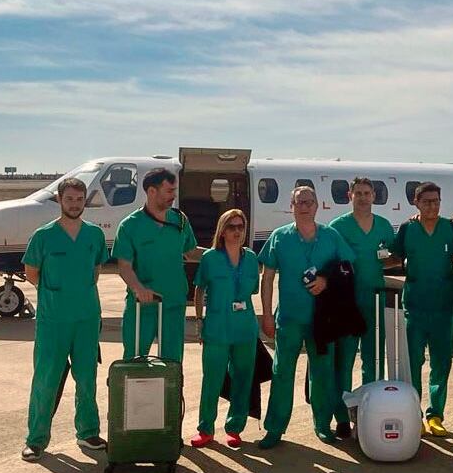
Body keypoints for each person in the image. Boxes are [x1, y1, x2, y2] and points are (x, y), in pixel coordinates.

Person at [257, 186, 355, 448]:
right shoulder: (279, 237)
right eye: (299, 202)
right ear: (291, 206)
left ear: (317, 206)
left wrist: (326, 280)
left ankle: (322, 425)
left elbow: (347, 268)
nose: (304, 207)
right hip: (289, 318)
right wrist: (266, 315)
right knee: (282, 372)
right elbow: (267, 278)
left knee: (322, 372)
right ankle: (274, 428)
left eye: (309, 202)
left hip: (323, 320)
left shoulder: (331, 236)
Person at [20, 177, 109, 462]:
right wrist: (55, 295)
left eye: (79, 199)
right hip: (54, 320)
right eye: (69, 199)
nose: (74, 204)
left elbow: (95, 269)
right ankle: (36, 439)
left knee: (87, 378)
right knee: (46, 379)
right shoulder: (44, 236)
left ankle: (88, 432)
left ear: (85, 201)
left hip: (86, 318)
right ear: (59, 200)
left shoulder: (94, 235)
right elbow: (32, 272)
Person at [392, 181, 453, 436]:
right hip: (415, 306)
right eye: (426, 201)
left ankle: (435, 415)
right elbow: (392, 257)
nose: (432, 206)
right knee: (413, 361)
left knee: (441, 363)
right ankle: (415, 414)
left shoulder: (451, 228)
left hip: (443, 306)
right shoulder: (407, 229)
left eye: (436, 201)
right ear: (416, 203)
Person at [328, 177, 396, 438]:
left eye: (367, 193)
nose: (363, 197)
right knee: (344, 360)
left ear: (374, 196)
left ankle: (370, 412)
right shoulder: (338, 227)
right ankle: (342, 417)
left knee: (373, 359)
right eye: (358, 193)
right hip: (347, 303)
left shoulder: (384, 226)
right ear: (350, 196)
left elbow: (392, 257)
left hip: (375, 299)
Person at [112, 167, 202, 363]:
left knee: (172, 361)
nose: (173, 196)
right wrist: (138, 288)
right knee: (134, 360)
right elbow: (124, 266)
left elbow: (191, 252)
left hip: (173, 303)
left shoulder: (179, 220)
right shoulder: (130, 225)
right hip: (142, 305)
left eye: (174, 191)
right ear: (152, 191)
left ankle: (174, 384)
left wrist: (219, 253)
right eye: (169, 191)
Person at [190, 209, 259, 450]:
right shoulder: (210, 258)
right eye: (232, 227)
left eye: (241, 226)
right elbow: (199, 289)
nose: (237, 231)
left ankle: (235, 428)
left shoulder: (251, 258)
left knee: (243, 379)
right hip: (217, 327)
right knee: (212, 379)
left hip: (244, 328)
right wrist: (199, 320)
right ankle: (205, 429)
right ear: (222, 231)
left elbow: (253, 290)